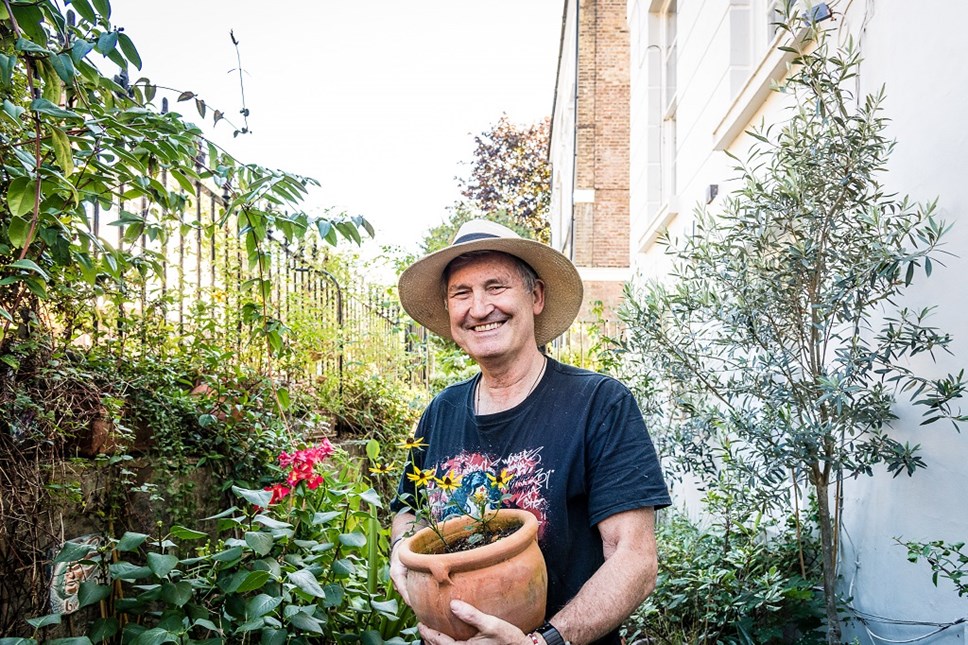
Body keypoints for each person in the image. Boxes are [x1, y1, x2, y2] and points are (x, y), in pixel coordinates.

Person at [391, 219, 671, 645]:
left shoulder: (598, 404)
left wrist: (545, 642)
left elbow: (635, 559)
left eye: (495, 287)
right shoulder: (441, 411)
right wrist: (402, 557)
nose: (479, 308)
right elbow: (406, 513)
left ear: (535, 296)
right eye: (461, 293)